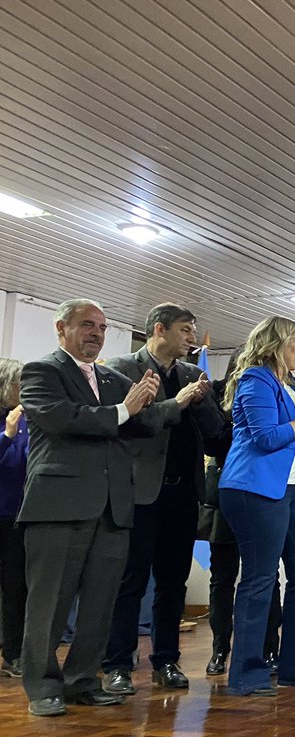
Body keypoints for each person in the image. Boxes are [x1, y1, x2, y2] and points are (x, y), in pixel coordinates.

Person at [18, 299, 165, 715]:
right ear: (61, 328)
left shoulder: (114, 379)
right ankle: (43, 687)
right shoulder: (42, 371)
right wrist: (124, 410)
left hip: (112, 508)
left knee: (101, 603)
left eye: (101, 327)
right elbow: (63, 419)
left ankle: (82, 680)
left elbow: (142, 425)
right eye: (87, 325)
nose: (96, 334)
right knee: (49, 603)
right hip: (59, 507)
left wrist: (152, 402)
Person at [100, 305, 223, 695]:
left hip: (183, 494)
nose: (192, 338)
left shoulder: (193, 374)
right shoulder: (120, 369)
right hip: (140, 495)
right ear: (160, 329)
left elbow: (216, 434)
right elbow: (131, 424)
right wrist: (179, 402)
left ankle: (167, 660)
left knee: (173, 583)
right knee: (130, 582)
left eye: (193, 330)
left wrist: (202, 403)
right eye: (185, 330)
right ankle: (118, 664)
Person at [218, 316, 295, 696]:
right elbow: (266, 437)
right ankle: (247, 675)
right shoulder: (255, 379)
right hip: (256, 489)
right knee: (260, 577)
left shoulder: (291, 385)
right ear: (278, 344)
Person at [203, 349, 282, 677]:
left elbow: (275, 436)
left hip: (263, 490)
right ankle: (220, 647)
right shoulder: (216, 392)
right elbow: (213, 441)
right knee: (222, 576)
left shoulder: (275, 390)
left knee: (267, 575)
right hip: (228, 492)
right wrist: (248, 429)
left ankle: (269, 648)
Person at [0, 358, 29, 678]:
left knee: (15, 588)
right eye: (18, 383)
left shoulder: (27, 418)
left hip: (17, 516)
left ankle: (13, 653)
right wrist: (7, 435)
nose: (23, 390)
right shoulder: (10, 422)